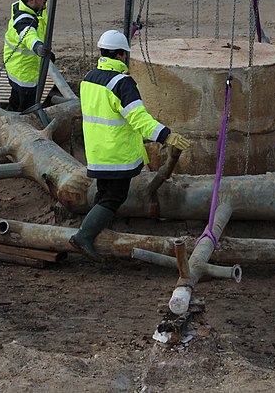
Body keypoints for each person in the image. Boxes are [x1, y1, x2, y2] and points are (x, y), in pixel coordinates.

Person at [71, 30, 191, 261]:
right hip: (117, 152)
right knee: (115, 196)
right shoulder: (122, 83)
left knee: (105, 191)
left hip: (97, 150)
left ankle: (98, 230)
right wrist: (165, 135)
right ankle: (84, 236)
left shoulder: (88, 78)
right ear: (121, 55)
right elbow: (139, 119)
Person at [3, 0, 55, 112]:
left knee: (16, 98)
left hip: (26, 64)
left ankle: (13, 113)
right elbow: (27, 34)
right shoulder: (24, 19)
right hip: (23, 70)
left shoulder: (35, 6)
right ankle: (20, 122)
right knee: (25, 105)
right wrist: (38, 46)